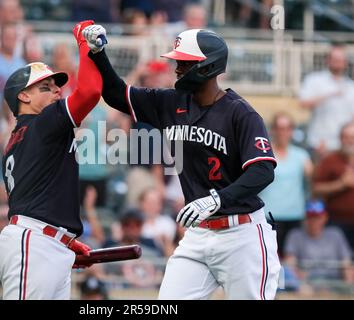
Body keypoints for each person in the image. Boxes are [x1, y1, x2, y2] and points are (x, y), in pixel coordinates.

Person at [83, 25, 281, 299]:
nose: (177, 68)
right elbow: (116, 94)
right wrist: (98, 52)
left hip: (242, 234)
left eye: (184, 63)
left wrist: (216, 200)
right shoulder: (170, 101)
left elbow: (263, 170)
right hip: (199, 234)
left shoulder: (241, 113)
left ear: (207, 67)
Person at [0, 20, 103, 300]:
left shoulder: (22, 135)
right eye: (46, 87)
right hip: (35, 243)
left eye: (56, 86)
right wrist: (84, 43)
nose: (57, 91)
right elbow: (90, 92)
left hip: (44, 242)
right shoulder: (42, 124)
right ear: (23, 96)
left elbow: (42, 196)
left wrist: (62, 236)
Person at [259, 112, 313, 256]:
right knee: (268, 256)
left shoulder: (302, 155)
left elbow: (312, 182)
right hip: (268, 215)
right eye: (279, 127)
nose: (283, 132)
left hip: (295, 215)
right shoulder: (264, 153)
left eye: (287, 128)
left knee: (292, 259)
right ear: (273, 130)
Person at [283, 200, 353, 293]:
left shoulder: (335, 234)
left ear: (325, 217)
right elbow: (290, 263)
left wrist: (348, 287)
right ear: (305, 218)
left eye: (317, 217)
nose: (314, 221)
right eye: (310, 217)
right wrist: (298, 276)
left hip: (335, 283)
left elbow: (347, 263)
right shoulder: (295, 235)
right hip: (307, 285)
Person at [299, 44, 354, 159]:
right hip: (319, 143)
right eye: (335, 59)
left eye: (340, 59)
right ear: (328, 60)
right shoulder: (314, 80)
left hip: (344, 147)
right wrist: (328, 95)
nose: (338, 62)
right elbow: (303, 103)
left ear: (345, 62)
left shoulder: (350, 86)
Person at [313, 121, 354, 248]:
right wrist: (341, 184)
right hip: (336, 221)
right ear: (340, 139)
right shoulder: (330, 160)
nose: (350, 141)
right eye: (346, 137)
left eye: (352, 137)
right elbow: (316, 189)